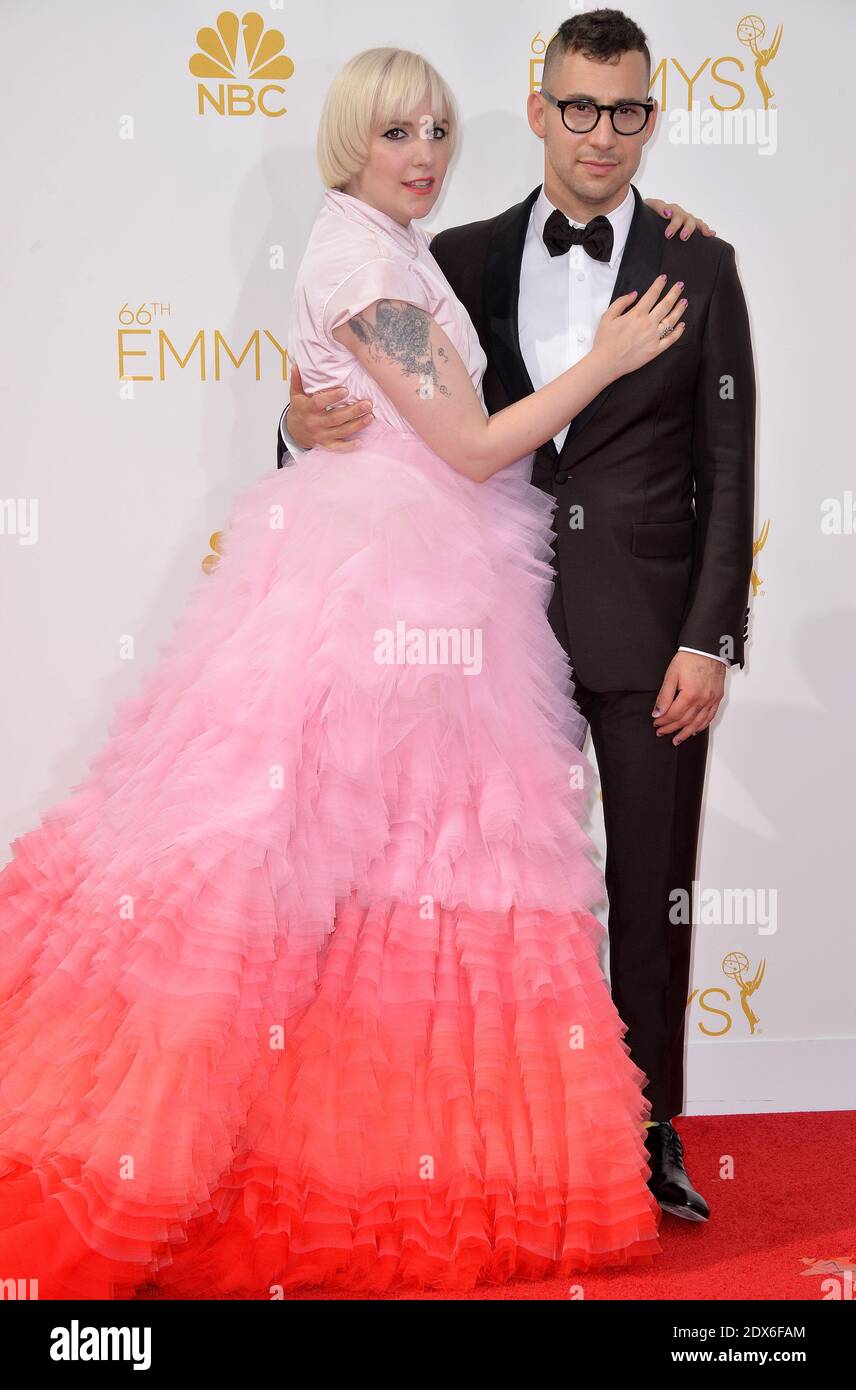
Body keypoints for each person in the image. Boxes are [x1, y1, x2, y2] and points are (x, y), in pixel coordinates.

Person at [0, 45, 690, 1299]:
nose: (423, 154)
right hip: (376, 583)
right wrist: (610, 359)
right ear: (349, 144)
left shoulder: (387, 240)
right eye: (394, 135)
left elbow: (380, 390)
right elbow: (474, 443)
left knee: (403, 870)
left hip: (426, 577)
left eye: (435, 130)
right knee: (297, 863)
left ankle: (386, 1164)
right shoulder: (363, 255)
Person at [280, 10, 756, 1225]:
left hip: (648, 633)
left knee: (652, 886)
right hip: (482, 635)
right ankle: (515, 1132)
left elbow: (728, 463)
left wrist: (710, 635)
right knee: (493, 896)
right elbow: (373, 405)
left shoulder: (700, 263)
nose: (603, 134)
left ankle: (648, 1132)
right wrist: (294, 424)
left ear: (652, 115)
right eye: (580, 107)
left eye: (629, 109)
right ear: (540, 111)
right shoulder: (459, 253)